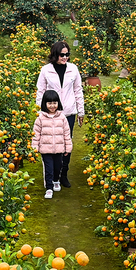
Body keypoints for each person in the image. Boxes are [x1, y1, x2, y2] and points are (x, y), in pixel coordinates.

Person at [35, 41, 83, 187]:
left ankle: (63, 175)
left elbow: (78, 90)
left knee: (66, 145)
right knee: (50, 144)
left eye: (67, 54)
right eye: (62, 55)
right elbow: (40, 91)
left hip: (68, 112)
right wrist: (40, 111)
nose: (65, 57)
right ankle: (51, 177)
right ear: (55, 54)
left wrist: (80, 111)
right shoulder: (46, 70)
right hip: (49, 113)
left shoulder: (73, 69)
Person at [30, 90, 72, 200]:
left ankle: (56, 181)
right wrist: (34, 148)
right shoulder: (40, 118)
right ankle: (49, 188)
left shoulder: (62, 117)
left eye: (54, 103)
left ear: (58, 103)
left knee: (58, 167)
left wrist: (68, 147)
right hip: (45, 149)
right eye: (49, 103)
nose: (52, 106)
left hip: (59, 149)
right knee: (49, 168)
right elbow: (36, 134)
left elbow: (67, 133)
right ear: (45, 104)